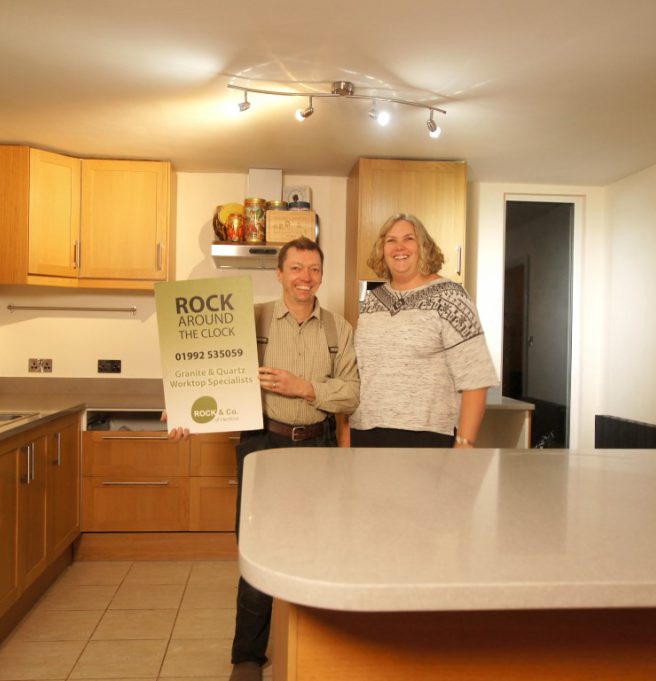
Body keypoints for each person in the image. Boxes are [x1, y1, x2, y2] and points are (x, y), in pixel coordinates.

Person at [169, 236, 359, 681]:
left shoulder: (338, 328)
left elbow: (352, 393)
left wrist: (305, 387)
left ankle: (314, 648)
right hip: (264, 445)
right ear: (279, 273)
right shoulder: (248, 320)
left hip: (319, 447)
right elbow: (209, 374)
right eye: (296, 268)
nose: (305, 278)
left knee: (317, 550)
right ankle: (248, 657)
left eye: (313, 269)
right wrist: (183, 407)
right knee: (257, 551)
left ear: (321, 275)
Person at [347, 213, 498, 448]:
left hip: (426, 437)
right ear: (382, 249)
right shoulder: (373, 300)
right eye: (391, 240)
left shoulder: (450, 297)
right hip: (365, 432)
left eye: (409, 238)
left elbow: (476, 376)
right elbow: (362, 372)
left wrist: (465, 443)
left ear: (424, 246)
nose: (399, 247)